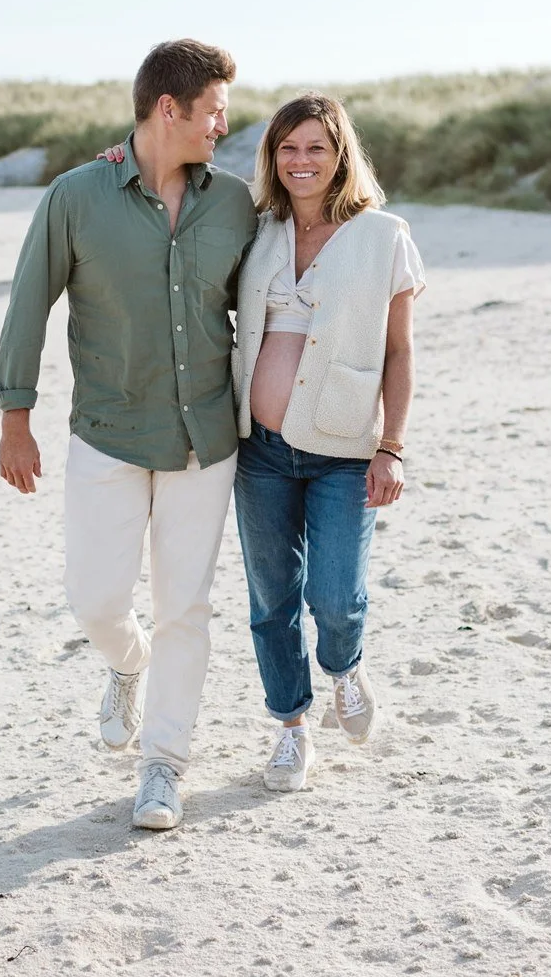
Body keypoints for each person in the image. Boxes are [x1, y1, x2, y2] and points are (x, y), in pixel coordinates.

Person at [103, 91, 422, 794]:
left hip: (343, 449)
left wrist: (391, 446)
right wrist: (119, 161)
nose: (301, 161)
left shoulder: (384, 235)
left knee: (336, 598)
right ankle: (291, 728)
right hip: (261, 450)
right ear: (271, 158)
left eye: (316, 147)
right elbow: (170, 206)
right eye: (287, 148)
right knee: (271, 598)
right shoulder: (256, 227)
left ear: (341, 155)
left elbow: (399, 353)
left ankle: (344, 667)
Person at [0, 39, 256, 831]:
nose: (224, 122)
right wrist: (16, 413)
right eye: (214, 108)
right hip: (106, 432)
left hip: (204, 438)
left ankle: (164, 766)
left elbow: (278, 285)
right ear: (168, 109)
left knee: (187, 606)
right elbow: (28, 300)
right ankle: (126, 665)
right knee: (97, 599)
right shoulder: (77, 196)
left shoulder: (236, 202)